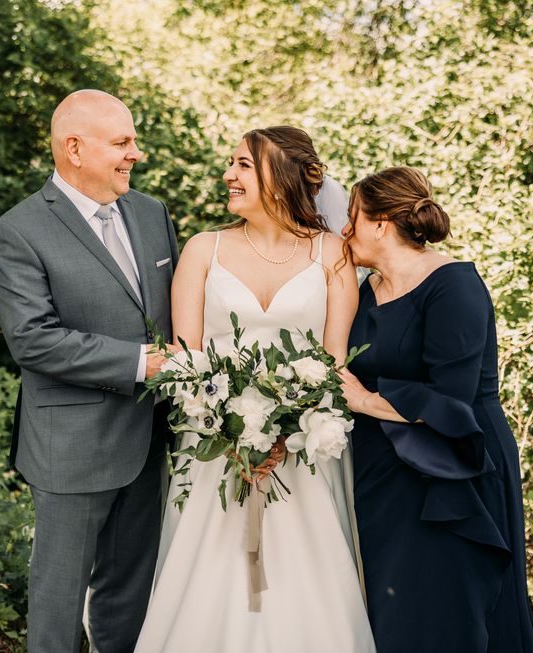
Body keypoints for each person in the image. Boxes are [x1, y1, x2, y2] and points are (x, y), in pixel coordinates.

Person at [134, 127, 375, 653]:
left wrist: (287, 433)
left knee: (307, 583)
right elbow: (186, 357)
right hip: (213, 452)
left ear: (281, 175)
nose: (229, 175)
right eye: (232, 164)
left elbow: (335, 364)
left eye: (243, 165)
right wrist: (230, 432)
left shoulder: (333, 253)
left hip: (305, 452)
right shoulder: (203, 250)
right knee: (208, 579)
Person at [0, 90, 180, 653]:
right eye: (122, 142)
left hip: (147, 437)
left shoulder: (150, 213)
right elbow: (32, 340)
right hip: (71, 444)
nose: (135, 154)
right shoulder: (18, 231)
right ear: (75, 148)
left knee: (130, 588)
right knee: (59, 597)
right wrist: (139, 363)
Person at [339, 166, 533, 652]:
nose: (345, 231)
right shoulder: (364, 290)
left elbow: (450, 397)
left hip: (454, 464)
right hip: (383, 470)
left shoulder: (453, 285)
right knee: (396, 607)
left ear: (381, 224)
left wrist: (365, 400)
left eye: (353, 218)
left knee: (453, 604)